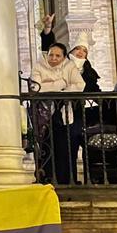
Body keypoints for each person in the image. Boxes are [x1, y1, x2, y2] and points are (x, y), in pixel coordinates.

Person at [31, 42, 85, 185]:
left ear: (63, 57)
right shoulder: (39, 66)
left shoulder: (69, 66)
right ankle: (46, 179)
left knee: (64, 147)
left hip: (64, 112)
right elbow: (36, 87)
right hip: (44, 113)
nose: (53, 58)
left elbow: (80, 85)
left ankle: (66, 180)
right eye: (51, 55)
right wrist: (61, 83)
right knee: (47, 147)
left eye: (57, 55)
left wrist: (52, 87)